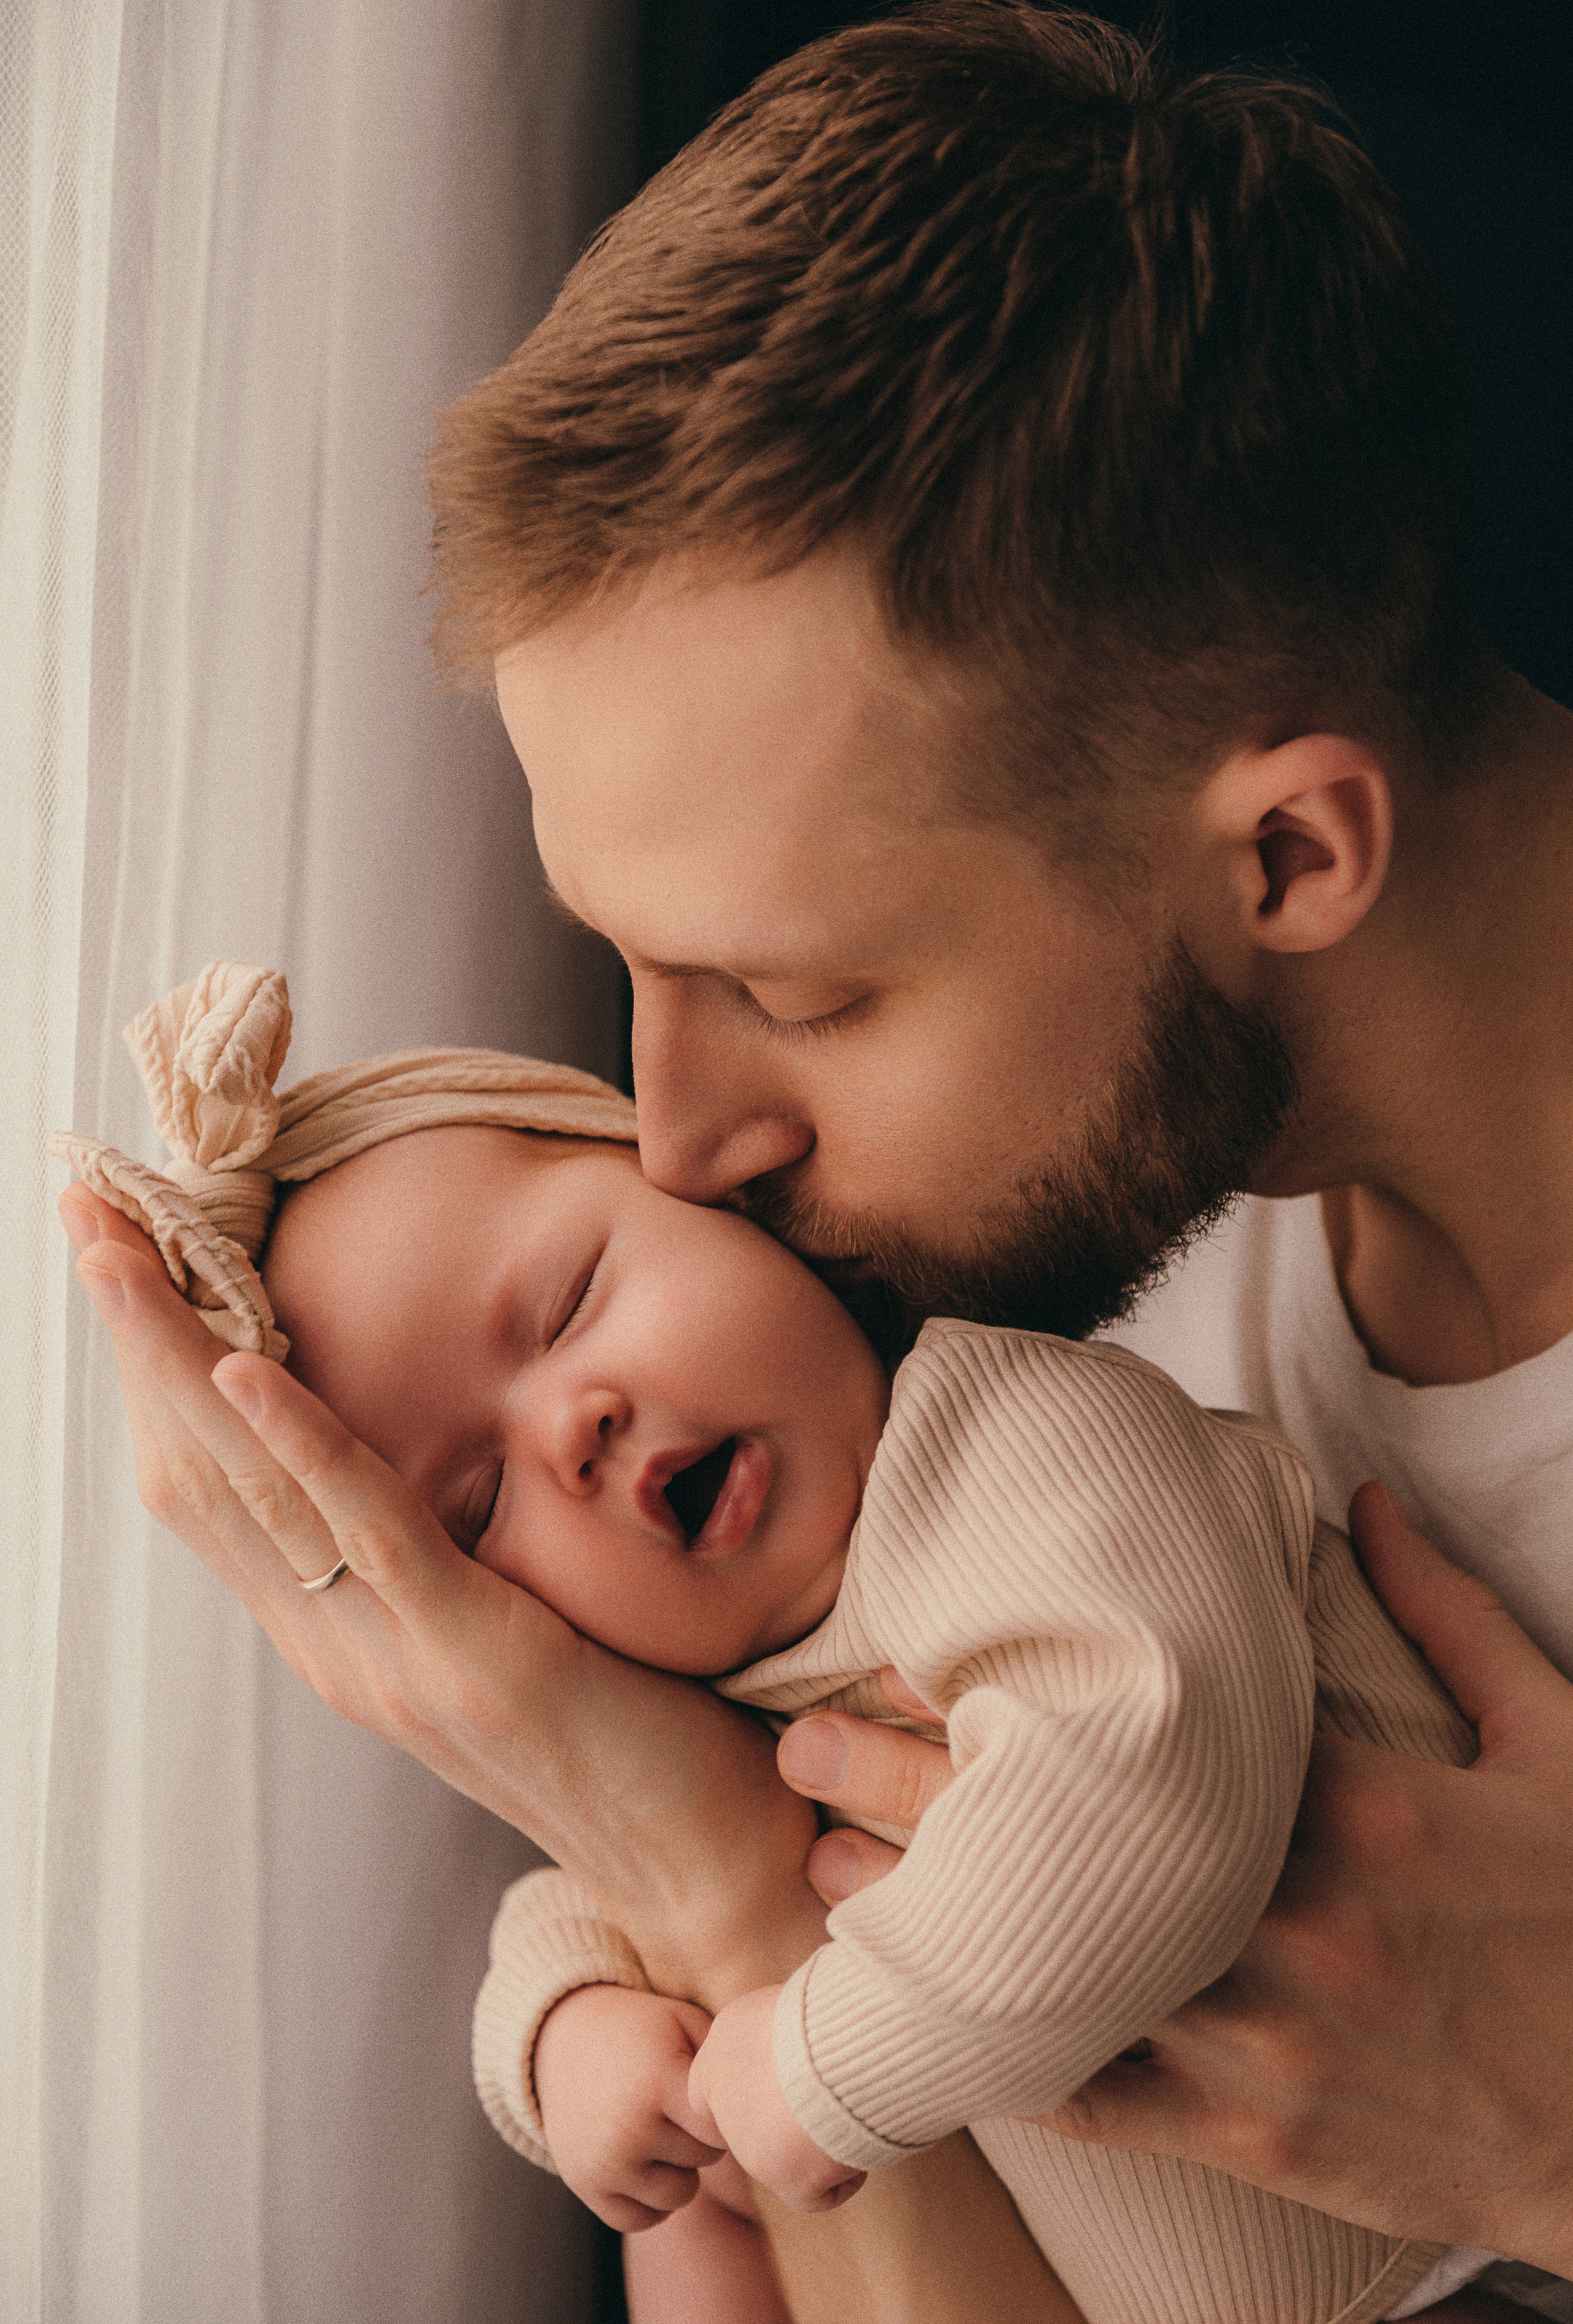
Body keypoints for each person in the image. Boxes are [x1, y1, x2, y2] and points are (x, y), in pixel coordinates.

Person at [61, 0, 1573, 2323]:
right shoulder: (1092, 1254)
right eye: (628, 967)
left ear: (1286, 856)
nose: (678, 1140)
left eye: (795, 990)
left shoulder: (1041, 1330)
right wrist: (683, 1853)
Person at [56, 959, 1477, 2324]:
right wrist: (566, 2032)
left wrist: (827, 2061)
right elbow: (594, 1888)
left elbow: (1137, 1787)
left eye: (569, 1303)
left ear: (720, 1212)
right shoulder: (719, 1683)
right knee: (693, 2187)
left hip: (1449, 2239)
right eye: (478, 1508)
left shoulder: (1019, 1448)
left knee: (756, 2121)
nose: (571, 1424)